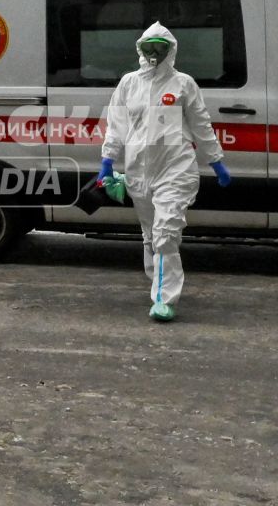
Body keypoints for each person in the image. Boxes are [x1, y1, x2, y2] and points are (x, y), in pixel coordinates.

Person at [93, 22, 229, 322]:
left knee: (165, 234)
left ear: (171, 50)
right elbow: (116, 125)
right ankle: (158, 280)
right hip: (139, 170)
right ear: (140, 49)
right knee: (150, 234)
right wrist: (107, 161)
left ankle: (163, 298)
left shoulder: (183, 84)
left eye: (160, 47)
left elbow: (200, 125)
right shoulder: (129, 83)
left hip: (175, 168)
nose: (155, 52)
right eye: (149, 47)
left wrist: (216, 161)